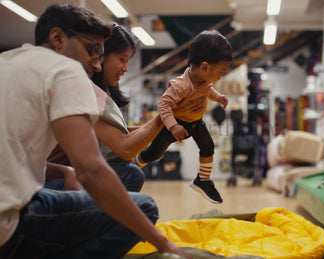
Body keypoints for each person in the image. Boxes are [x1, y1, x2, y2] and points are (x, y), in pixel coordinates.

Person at [0, 4, 191, 259]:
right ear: (57, 38)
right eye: (93, 51)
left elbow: (14, 154)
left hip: (28, 191)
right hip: (10, 220)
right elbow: (99, 164)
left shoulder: (7, 61)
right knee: (144, 207)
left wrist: (63, 170)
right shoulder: (67, 71)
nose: (98, 65)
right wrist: (164, 244)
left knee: (128, 174)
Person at [46, 23, 164, 192]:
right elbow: (123, 147)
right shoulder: (85, 90)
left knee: (130, 174)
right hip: (52, 179)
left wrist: (162, 126)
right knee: (131, 176)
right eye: (122, 59)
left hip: (69, 173)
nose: (125, 68)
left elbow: (118, 134)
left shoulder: (103, 90)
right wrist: (162, 119)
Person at [134, 30, 232, 204]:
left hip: (196, 122)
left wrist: (218, 97)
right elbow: (164, 105)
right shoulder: (180, 85)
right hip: (176, 124)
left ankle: (202, 181)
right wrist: (173, 126)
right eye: (221, 71)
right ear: (204, 67)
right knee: (155, 153)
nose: (221, 75)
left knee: (208, 146)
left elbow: (207, 90)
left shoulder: (205, 80)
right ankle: (134, 164)